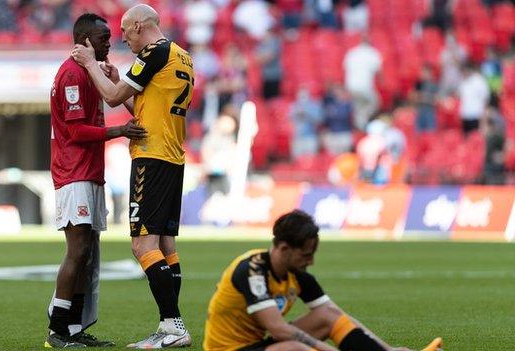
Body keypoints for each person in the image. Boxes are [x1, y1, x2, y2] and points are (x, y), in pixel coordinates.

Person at [71, 4, 194, 348]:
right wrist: (113, 78)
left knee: (142, 245)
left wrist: (91, 64)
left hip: (151, 158)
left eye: (125, 30)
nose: (122, 37)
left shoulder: (154, 52)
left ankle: (172, 326)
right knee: (165, 245)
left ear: (139, 25)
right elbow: (141, 108)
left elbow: (110, 99)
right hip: (172, 156)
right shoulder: (181, 55)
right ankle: (171, 324)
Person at [203, 209, 444, 351]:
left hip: (259, 345)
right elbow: (278, 328)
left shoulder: (295, 274)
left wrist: (386, 349)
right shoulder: (252, 270)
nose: (310, 262)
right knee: (295, 348)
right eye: (306, 255)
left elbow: (335, 315)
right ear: (285, 248)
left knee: (326, 317)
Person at [46, 13, 147, 349]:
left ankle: (73, 329)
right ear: (85, 39)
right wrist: (119, 131)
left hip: (88, 172)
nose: (109, 42)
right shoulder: (73, 74)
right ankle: (57, 330)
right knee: (76, 251)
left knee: (85, 253)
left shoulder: (89, 71)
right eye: (103, 37)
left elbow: (109, 99)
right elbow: (74, 131)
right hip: (73, 172)